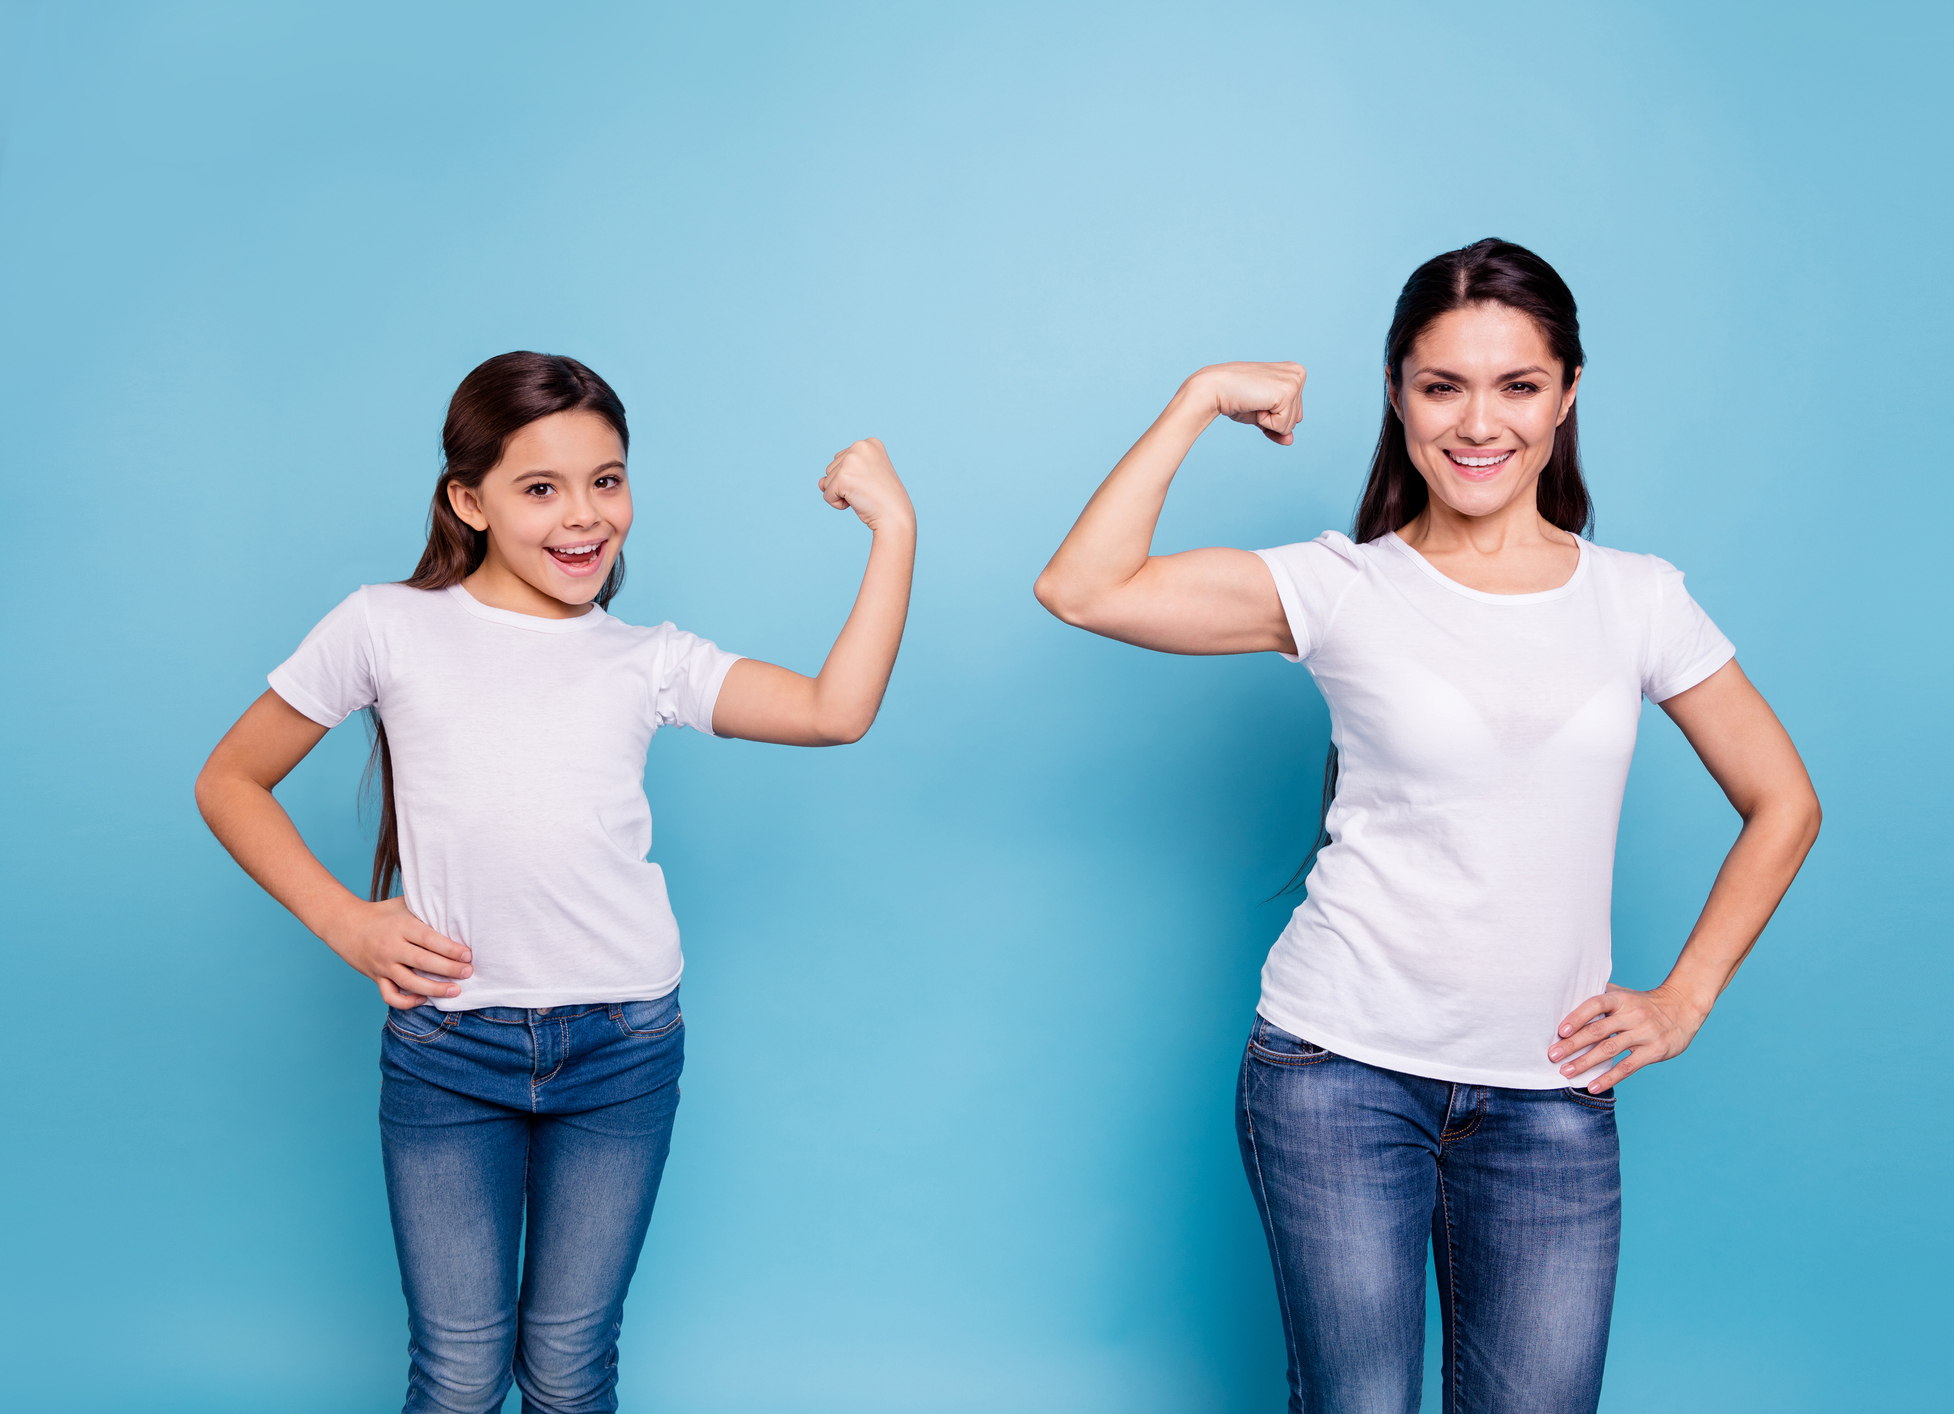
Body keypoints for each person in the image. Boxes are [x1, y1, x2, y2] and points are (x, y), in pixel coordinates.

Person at [1033, 239, 1820, 1413]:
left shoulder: (1637, 596)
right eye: (1441, 384)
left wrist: (1684, 995)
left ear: (1567, 395)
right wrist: (1200, 396)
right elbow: (1082, 586)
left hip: (1551, 1096)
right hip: (1336, 1072)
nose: (1478, 423)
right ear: (1397, 393)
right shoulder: (1342, 586)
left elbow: (1784, 801)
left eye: (1517, 385)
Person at [194, 352, 916, 1413]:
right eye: (541, 488)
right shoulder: (384, 626)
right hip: (450, 1051)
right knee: (456, 1375)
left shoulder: (645, 658)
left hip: (621, 1049)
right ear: (467, 498)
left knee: (572, 1371)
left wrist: (893, 529)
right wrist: (346, 923)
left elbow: (832, 711)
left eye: (607, 479)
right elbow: (231, 780)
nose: (585, 516)